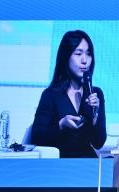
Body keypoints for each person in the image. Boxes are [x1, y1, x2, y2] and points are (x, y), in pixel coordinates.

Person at [31, 30, 106, 158]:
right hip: (60, 164)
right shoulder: (50, 95)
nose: (84, 60)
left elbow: (98, 143)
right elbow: (37, 138)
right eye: (78, 54)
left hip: (88, 163)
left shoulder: (96, 93)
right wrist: (61, 125)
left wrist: (94, 118)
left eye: (88, 54)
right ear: (66, 57)